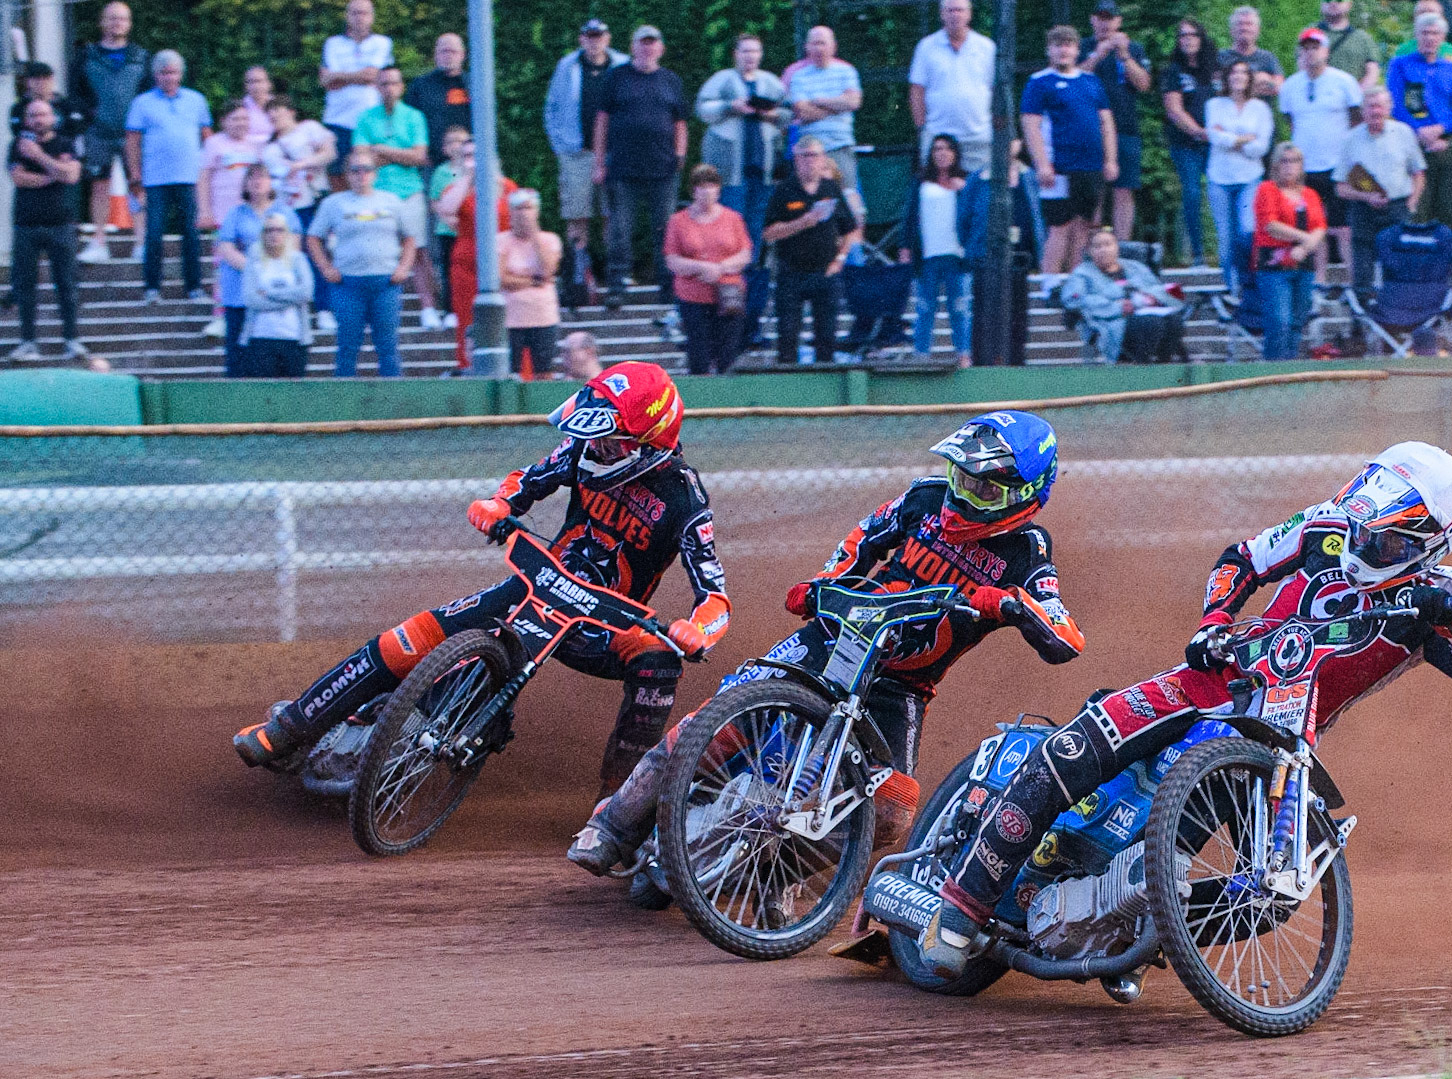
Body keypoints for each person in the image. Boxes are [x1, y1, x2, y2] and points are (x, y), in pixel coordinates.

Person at [914, 441, 1452, 980]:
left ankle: (1140, 937)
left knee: (1273, 897)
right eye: (1364, 528)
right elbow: (1240, 560)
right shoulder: (1324, 527)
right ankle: (957, 914)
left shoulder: (1441, 599)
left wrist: (1450, 618)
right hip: (1207, 681)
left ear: (1429, 543)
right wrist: (1214, 622)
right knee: (1067, 753)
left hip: (1278, 738)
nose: (1364, 544)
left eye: (1385, 540)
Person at [567, 410, 1082, 878]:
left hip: (899, 685)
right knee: (718, 721)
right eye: (961, 478)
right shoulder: (925, 497)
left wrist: (1011, 605)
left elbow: (1064, 635)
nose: (964, 496)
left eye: (984, 490)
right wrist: (823, 582)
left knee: (893, 809)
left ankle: (779, 870)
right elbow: (863, 540)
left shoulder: (1027, 552)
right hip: (835, 636)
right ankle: (612, 826)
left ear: (1025, 493)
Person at [239, 363, 732, 812]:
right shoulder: (583, 450)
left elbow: (715, 598)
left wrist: (697, 630)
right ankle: (287, 729)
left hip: (603, 626)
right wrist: (499, 505)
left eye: (610, 440)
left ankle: (618, 808)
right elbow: (529, 479)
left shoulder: (684, 497)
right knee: (411, 636)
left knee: (658, 662)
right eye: (595, 435)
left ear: (648, 440)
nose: (597, 447)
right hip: (538, 589)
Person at [592, 25, 688, 302]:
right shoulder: (616, 77)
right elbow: (602, 121)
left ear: (661, 48)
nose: (647, 48)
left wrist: (680, 153)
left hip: (663, 169)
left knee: (665, 231)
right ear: (633, 46)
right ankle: (617, 287)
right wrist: (599, 162)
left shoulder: (671, 80)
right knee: (620, 230)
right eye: (642, 43)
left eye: (652, 43)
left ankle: (669, 288)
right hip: (622, 168)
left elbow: (680, 121)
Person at [307, 149, 416, 377]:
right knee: (347, 345)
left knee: (387, 345)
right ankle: (344, 402)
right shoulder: (334, 203)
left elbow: (409, 238)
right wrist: (326, 267)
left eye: (367, 169)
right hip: (348, 284)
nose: (361, 174)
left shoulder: (391, 201)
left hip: (385, 283)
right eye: (355, 170)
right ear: (347, 174)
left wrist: (404, 267)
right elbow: (313, 238)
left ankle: (394, 403)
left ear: (375, 174)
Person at [1021, 25, 1117, 276]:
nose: (1063, 50)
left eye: (1068, 44)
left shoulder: (1091, 82)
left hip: (1091, 165)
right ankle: (1051, 282)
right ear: (1049, 50)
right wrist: (1042, 163)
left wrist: (1111, 159)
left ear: (1077, 49)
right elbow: (1031, 125)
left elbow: (1106, 122)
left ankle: (1076, 281)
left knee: (1085, 226)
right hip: (1059, 165)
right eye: (1057, 44)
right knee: (1059, 225)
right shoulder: (1040, 82)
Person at [353, 65, 442, 329]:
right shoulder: (365, 118)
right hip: (376, 193)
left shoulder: (414, 117)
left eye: (393, 83)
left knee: (419, 251)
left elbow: (420, 157)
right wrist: (400, 154)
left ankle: (428, 308)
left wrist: (381, 149)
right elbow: (361, 159)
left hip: (409, 191)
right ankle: (376, 311)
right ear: (376, 87)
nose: (389, 89)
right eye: (384, 84)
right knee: (375, 251)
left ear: (401, 87)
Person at [124, 50, 212, 304]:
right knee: (153, 234)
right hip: (155, 179)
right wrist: (135, 174)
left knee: (191, 234)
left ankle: (194, 288)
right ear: (155, 75)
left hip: (190, 177)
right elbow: (132, 142)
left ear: (180, 74)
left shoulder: (196, 100)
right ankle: (152, 288)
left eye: (173, 72)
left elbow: (208, 137)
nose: (168, 77)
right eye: (163, 72)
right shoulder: (142, 103)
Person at [695, 33, 790, 264]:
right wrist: (731, 106)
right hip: (730, 171)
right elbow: (702, 109)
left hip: (763, 168)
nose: (750, 56)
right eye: (745, 51)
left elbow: (788, 113)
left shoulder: (770, 82)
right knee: (730, 223)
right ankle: (729, 277)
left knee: (756, 224)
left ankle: (751, 275)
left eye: (755, 51)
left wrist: (772, 114)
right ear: (736, 54)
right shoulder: (723, 79)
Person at [545, 18, 621, 296]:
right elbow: (551, 107)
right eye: (589, 36)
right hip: (577, 153)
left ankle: (615, 272)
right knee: (577, 214)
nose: (594, 41)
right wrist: (560, 145)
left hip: (613, 154)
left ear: (607, 38)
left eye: (599, 35)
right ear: (582, 39)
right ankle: (579, 270)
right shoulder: (567, 66)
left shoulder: (621, 65)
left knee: (612, 214)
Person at [764, 137, 857, 365]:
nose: (810, 162)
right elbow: (768, 233)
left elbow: (850, 230)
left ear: (823, 158)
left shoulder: (831, 189)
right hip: (792, 273)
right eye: (805, 156)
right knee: (788, 335)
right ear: (796, 160)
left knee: (826, 336)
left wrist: (840, 259)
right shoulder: (785, 190)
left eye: (815, 156)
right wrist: (802, 222)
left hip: (825, 272)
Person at [1281, 27, 1363, 282]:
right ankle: (1320, 282)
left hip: (1338, 166)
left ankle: (1352, 282)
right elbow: (1291, 122)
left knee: (1343, 228)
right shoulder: (1290, 86)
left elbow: (1356, 119)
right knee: (1314, 227)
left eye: (1315, 47)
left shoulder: (1344, 82)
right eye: (1305, 48)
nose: (1310, 53)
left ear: (1326, 51)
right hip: (1305, 168)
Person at [72, 1, 151, 265]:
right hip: (98, 132)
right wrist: (88, 116)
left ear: (129, 24)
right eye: (112, 18)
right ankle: (98, 243)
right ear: (101, 22)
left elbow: (149, 95)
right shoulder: (86, 56)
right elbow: (76, 94)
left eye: (122, 19)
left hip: (132, 135)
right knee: (99, 186)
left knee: (138, 186)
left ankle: (141, 243)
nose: (117, 23)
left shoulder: (141, 57)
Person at [8, 98, 85, 362]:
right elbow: (19, 178)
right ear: (26, 119)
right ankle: (28, 341)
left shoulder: (65, 143)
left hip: (60, 224)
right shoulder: (17, 145)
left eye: (43, 114)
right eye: (33, 115)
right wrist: (53, 174)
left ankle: (71, 340)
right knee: (25, 285)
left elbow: (72, 175)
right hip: (26, 225)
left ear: (53, 118)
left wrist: (38, 157)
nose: (38, 119)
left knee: (66, 284)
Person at [900, 134, 987, 365]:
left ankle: (964, 353)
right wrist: (905, 245)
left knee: (959, 308)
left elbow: (975, 217)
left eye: (947, 149)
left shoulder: (967, 181)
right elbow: (909, 216)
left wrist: (963, 190)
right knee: (925, 307)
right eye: (937, 149)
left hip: (956, 255)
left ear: (955, 153)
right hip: (928, 255)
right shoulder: (921, 182)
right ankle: (921, 354)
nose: (942, 153)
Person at [1334, 85, 1427, 300]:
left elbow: (1419, 174)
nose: (1375, 111)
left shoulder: (1403, 133)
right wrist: (1366, 196)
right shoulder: (1350, 139)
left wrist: (1411, 204)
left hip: (1397, 208)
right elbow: (1340, 187)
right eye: (1370, 106)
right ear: (1362, 110)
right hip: (1362, 210)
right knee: (1362, 274)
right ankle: (1360, 325)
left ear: (1389, 108)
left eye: (1380, 106)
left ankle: (1395, 321)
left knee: (1398, 269)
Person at [664, 164, 752, 375]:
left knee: (728, 354)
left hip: (728, 295)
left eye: (712, 186)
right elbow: (672, 259)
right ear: (693, 190)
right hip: (693, 297)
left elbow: (745, 253)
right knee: (698, 354)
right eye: (702, 186)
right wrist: (701, 267)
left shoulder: (733, 218)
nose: (707, 191)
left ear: (719, 189)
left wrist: (720, 268)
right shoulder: (678, 221)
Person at [214, 163, 300, 375]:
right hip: (240, 293)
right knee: (237, 354)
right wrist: (256, 270)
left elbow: (294, 247)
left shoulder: (285, 213)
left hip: (274, 294)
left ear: (271, 182)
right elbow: (226, 248)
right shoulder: (236, 213)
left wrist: (267, 271)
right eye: (251, 177)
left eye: (262, 177)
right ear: (245, 184)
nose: (257, 181)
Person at [262, 95, 338, 329]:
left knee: (321, 253)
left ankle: (326, 309)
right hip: (289, 207)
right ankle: (304, 308)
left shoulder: (309, 129)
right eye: (270, 113)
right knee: (296, 256)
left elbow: (329, 153)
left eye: (279, 110)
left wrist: (302, 164)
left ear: (291, 111)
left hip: (315, 200)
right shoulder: (270, 149)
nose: (275, 116)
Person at [1386, 14, 1452, 228]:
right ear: (1416, 36)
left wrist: (1440, 129)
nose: (1430, 38)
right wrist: (1420, 132)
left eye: (1435, 33)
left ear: (1443, 38)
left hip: (1446, 140)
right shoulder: (1400, 65)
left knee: (1449, 211)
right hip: (1412, 139)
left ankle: (1450, 252)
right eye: (1425, 33)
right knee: (1417, 212)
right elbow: (1395, 105)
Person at [1080, 1, 1151, 241]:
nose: (1105, 23)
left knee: (1124, 190)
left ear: (1118, 22)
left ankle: (1122, 248)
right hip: (1090, 130)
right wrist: (1097, 55)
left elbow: (1144, 84)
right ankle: (1094, 248)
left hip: (1125, 128)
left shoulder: (1134, 49)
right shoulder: (1082, 47)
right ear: (1092, 20)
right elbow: (1073, 80)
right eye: (1100, 17)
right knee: (1093, 192)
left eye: (1110, 18)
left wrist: (1124, 56)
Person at [1062, 225, 1185, 362]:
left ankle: (1163, 363)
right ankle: (1142, 365)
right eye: (1097, 246)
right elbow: (1075, 300)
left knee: (1174, 320)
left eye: (1108, 244)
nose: (1103, 250)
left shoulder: (1135, 267)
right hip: (1112, 321)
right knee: (1151, 323)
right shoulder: (1082, 274)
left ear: (1116, 247)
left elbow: (1157, 287)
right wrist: (1118, 307)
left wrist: (1152, 297)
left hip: (1146, 311)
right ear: (1090, 251)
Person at [195, 100, 265, 340]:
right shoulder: (214, 144)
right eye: (235, 118)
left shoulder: (256, 146)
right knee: (223, 266)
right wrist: (204, 211)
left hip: (251, 216)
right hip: (223, 216)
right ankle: (220, 315)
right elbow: (203, 179)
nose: (240, 123)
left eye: (245, 118)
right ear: (224, 120)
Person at [1203, 60, 1272, 297]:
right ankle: (1231, 288)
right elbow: (1215, 138)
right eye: (1233, 72)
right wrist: (1244, 138)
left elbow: (1261, 148)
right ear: (1226, 77)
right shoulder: (1214, 104)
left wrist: (1230, 138)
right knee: (1225, 237)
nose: (1238, 77)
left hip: (1250, 177)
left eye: (1243, 72)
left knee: (1247, 230)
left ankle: (1251, 284)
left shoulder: (1261, 109)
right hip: (1219, 178)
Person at [438, 154, 513, 370]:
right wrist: (469, 178)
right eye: (470, 156)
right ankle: (467, 368)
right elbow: (446, 210)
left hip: (501, 262)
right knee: (466, 320)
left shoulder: (507, 187)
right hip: (467, 265)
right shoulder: (459, 188)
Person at [1253, 142, 1327, 360]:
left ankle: (1290, 367)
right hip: (1274, 266)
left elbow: (1320, 226)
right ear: (1275, 165)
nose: (1289, 166)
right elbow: (1270, 225)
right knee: (1280, 321)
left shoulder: (1310, 194)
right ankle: (1273, 370)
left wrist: (1305, 248)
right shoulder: (1267, 189)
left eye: (1294, 161)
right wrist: (1304, 238)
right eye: (1284, 161)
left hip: (1304, 265)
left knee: (1297, 322)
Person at [787, 26, 866, 223]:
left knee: (848, 205)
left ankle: (849, 252)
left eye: (823, 43)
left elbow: (854, 102)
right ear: (807, 47)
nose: (819, 48)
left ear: (834, 46)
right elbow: (802, 112)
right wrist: (838, 104)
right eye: (814, 43)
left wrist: (819, 100)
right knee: (809, 206)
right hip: (810, 151)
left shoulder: (847, 71)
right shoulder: (799, 76)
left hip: (840, 147)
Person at [909, 0, 996, 173]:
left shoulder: (987, 47)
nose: (955, 15)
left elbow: (995, 91)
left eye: (960, 10)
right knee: (940, 195)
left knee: (979, 195)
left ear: (969, 14)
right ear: (942, 14)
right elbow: (917, 91)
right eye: (950, 10)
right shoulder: (926, 47)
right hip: (939, 139)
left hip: (979, 139)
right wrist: (922, 129)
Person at [1161, 18, 1219, 266]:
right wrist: (1198, 132)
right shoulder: (1172, 70)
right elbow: (1174, 110)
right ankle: (1197, 255)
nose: (1187, 39)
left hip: (1217, 144)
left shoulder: (1216, 67)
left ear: (1201, 37)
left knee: (1222, 193)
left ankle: (1229, 249)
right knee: (1193, 193)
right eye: (1182, 35)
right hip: (1186, 143)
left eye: (1192, 34)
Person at [319, 0, 394, 178]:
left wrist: (339, 75)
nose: (359, 17)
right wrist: (362, 76)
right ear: (347, 16)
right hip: (337, 121)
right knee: (337, 176)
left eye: (364, 13)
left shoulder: (382, 43)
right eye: (355, 13)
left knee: (369, 174)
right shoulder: (332, 43)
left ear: (372, 17)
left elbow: (373, 75)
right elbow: (326, 81)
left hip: (371, 119)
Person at [498, 189, 564, 379]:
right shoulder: (501, 241)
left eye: (528, 208)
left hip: (543, 317)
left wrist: (534, 235)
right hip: (511, 319)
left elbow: (547, 271)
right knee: (511, 373)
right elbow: (502, 280)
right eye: (519, 209)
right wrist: (533, 280)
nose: (523, 214)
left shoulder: (550, 240)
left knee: (544, 371)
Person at [239, 215, 315, 376]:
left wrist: (270, 294)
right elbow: (252, 299)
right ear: (262, 234)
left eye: (279, 230)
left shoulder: (298, 259)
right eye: (269, 230)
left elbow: (306, 292)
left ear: (286, 234)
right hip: (261, 337)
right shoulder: (254, 262)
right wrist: (290, 299)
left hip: (293, 338)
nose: (274, 234)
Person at [427, 124, 470, 311]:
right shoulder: (441, 172)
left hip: (469, 231)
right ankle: (450, 309)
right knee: (448, 270)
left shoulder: (475, 170)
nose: (456, 145)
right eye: (451, 142)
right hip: (446, 231)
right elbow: (434, 201)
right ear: (444, 148)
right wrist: (448, 220)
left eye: (461, 141)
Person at [405, 32, 470, 150]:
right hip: (429, 159)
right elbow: (409, 123)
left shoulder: (473, 86)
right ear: (436, 55)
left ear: (462, 55)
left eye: (453, 51)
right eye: (444, 51)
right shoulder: (420, 86)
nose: (448, 56)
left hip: (468, 158)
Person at [9, 62, 88, 138]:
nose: (41, 83)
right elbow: (18, 131)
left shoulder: (67, 105)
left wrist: (52, 139)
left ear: (52, 80)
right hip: (29, 147)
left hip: (63, 148)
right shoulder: (19, 108)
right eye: (37, 79)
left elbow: (77, 128)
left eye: (46, 78)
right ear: (27, 82)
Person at [1218, 6, 1283, 97]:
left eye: (1249, 24)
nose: (1244, 28)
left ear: (1257, 30)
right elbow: (1215, 88)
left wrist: (1269, 83)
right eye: (1240, 24)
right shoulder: (1220, 57)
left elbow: (1279, 88)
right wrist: (1256, 80)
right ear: (1231, 30)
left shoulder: (1268, 58)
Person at [1392, 0, 1452, 76]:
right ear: (1414, 19)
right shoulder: (1403, 51)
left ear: (1442, 18)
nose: (1427, 18)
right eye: (1422, 13)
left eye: (1431, 12)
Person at [1318, 0, 1380, 87]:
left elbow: (1372, 72)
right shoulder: (1311, 34)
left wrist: (1356, 95)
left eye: (1339, 0)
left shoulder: (1363, 38)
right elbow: (1303, 66)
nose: (1333, 3)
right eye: (1327, 0)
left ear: (1349, 4)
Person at [239, 66, 276, 141]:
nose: (255, 86)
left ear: (269, 84)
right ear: (246, 86)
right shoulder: (239, 107)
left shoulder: (279, 106)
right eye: (251, 82)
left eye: (259, 81)